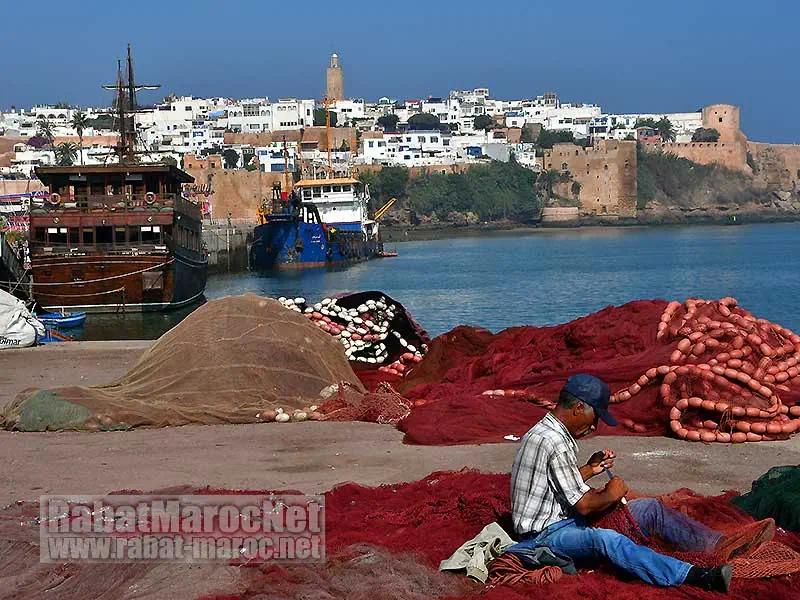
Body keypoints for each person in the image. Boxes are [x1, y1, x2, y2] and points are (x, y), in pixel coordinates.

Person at [508, 373, 775, 593]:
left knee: (649, 509)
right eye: (595, 416)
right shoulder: (553, 440)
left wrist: (591, 468)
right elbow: (586, 507)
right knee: (607, 540)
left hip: (563, 521)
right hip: (544, 536)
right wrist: (613, 494)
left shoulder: (551, 431)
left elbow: (557, 482)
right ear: (578, 407)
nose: (594, 426)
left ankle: (716, 545)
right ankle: (695, 576)